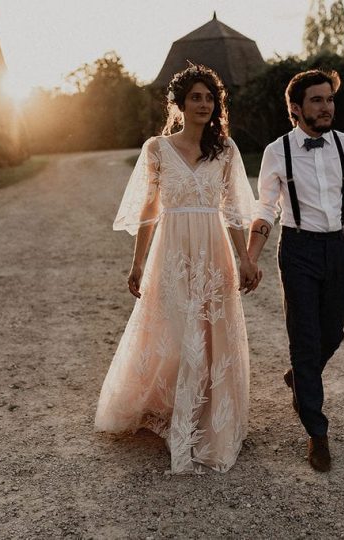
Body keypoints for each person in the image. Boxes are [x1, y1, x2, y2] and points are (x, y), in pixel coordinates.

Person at [95, 64, 259, 474]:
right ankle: (168, 405)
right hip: (171, 251)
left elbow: (236, 213)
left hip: (213, 250)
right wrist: (137, 262)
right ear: (180, 104)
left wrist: (245, 257)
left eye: (210, 98)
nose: (204, 105)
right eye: (196, 98)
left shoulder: (226, 151)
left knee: (208, 329)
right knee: (172, 327)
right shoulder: (156, 148)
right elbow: (149, 209)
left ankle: (204, 411)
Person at [247, 69, 344, 472]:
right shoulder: (278, 151)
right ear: (295, 108)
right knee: (305, 338)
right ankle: (317, 430)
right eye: (317, 100)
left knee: (334, 331)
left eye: (329, 99)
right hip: (297, 249)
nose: (326, 107)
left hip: (336, 248)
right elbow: (266, 206)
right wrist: (251, 254)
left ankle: (301, 376)